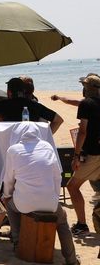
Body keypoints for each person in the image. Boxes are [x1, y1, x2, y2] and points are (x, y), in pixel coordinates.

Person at [1, 122, 79, 264]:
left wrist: (7, 196)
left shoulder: (13, 150)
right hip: (50, 202)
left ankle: (18, 242)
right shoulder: (47, 147)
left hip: (24, 203)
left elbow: (8, 180)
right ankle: (71, 259)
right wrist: (54, 197)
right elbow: (57, 176)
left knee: (11, 206)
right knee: (62, 222)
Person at [64, 74, 100, 237]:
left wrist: (76, 155)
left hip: (92, 153)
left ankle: (82, 224)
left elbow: (83, 131)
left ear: (87, 88)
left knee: (72, 186)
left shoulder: (86, 104)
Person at [0, 77, 64, 133]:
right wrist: (45, 137)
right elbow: (58, 120)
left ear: (9, 92)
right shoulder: (34, 105)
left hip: (6, 147)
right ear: (23, 91)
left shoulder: (2, 105)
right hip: (30, 147)